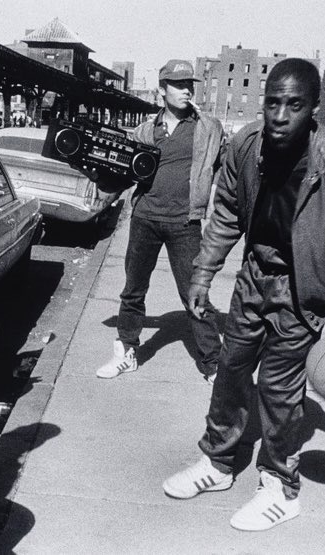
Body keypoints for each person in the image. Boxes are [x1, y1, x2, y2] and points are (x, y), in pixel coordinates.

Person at [162, 58, 325, 531]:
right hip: (253, 278)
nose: (280, 116)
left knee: (280, 391)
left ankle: (281, 487)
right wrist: (203, 273)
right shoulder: (246, 145)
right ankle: (219, 463)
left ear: (314, 110)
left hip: (303, 291)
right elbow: (226, 210)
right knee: (230, 370)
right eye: (273, 103)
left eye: (294, 105)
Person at [96, 59, 224, 382]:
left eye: (189, 85)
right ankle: (126, 352)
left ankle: (215, 366)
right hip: (145, 220)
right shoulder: (143, 131)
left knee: (195, 293)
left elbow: (233, 166)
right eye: (179, 85)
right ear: (161, 90)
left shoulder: (208, 128)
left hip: (185, 223)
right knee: (133, 290)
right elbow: (120, 175)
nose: (187, 91)